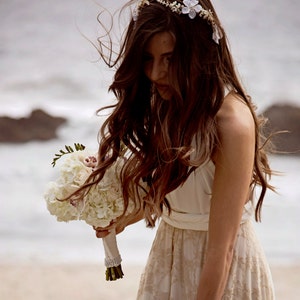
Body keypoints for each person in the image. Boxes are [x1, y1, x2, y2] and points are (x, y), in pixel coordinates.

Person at [87, 0, 275, 298]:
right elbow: (178, 191)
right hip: (168, 256)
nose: (155, 73)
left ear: (197, 53)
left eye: (170, 59)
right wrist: (125, 215)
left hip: (221, 270)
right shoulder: (167, 103)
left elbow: (221, 248)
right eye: (148, 59)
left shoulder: (232, 123)